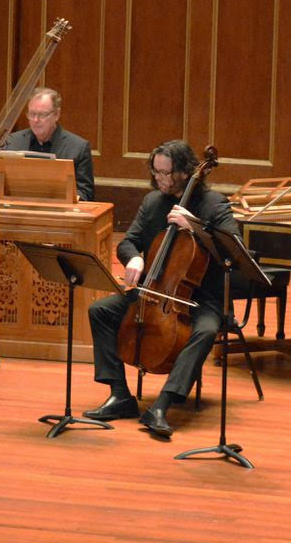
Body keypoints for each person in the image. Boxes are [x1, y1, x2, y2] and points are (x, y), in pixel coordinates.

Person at [84, 140, 239, 438]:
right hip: (156, 291)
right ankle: (120, 395)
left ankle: (162, 405)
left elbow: (232, 251)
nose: (160, 179)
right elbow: (128, 241)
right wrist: (136, 258)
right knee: (100, 311)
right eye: (156, 173)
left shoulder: (214, 204)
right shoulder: (153, 202)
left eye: (166, 173)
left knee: (205, 332)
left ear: (184, 172)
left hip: (202, 298)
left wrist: (194, 227)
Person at [3, 87, 94, 202]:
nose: (36, 120)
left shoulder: (78, 147)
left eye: (42, 115)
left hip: (60, 214)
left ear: (56, 114)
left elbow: (86, 194)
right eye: (32, 114)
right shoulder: (12, 142)